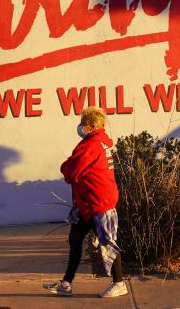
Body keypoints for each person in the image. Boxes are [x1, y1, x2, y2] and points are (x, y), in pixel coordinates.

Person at [44, 107, 127, 299]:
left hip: (97, 202)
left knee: (108, 243)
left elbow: (70, 170)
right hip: (88, 202)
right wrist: (71, 164)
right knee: (75, 239)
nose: (80, 127)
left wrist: (67, 164)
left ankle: (119, 283)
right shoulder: (98, 143)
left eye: (83, 124)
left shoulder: (91, 146)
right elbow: (74, 167)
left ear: (90, 127)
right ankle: (66, 284)